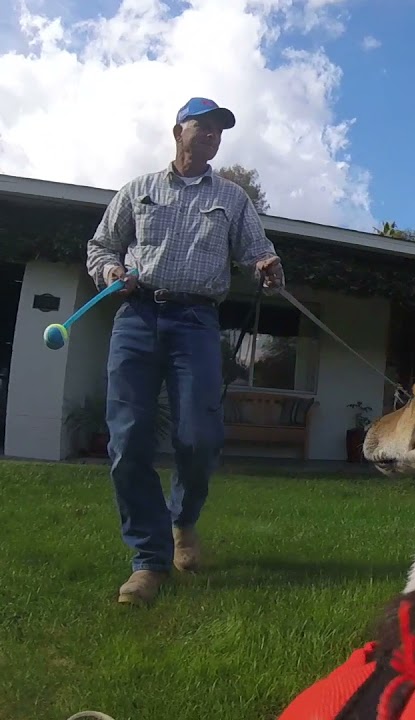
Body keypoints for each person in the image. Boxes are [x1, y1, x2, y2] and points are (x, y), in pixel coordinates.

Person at [85, 97, 286, 607]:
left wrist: (267, 264)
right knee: (128, 442)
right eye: (206, 127)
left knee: (199, 436)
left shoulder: (231, 198)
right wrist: (111, 274)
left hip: (196, 322)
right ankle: (148, 563)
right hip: (136, 319)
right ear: (179, 131)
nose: (214, 136)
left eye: (221, 130)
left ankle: (183, 521)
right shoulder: (138, 190)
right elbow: (101, 247)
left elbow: (257, 248)